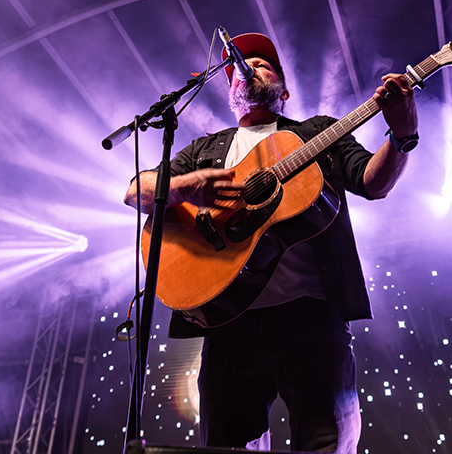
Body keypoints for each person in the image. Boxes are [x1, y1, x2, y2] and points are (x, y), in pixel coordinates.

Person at [123, 33, 418, 453]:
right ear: (230, 93)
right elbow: (136, 191)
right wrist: (189, 186)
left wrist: (403, 135)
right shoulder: (205, 149)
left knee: (326, 443)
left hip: (312, 317)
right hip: (228, 322)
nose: (249, 68)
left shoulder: (319, 132)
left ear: (283, 88)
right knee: (225, 447)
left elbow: (374, 182)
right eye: (240, 67)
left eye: (262, 64)